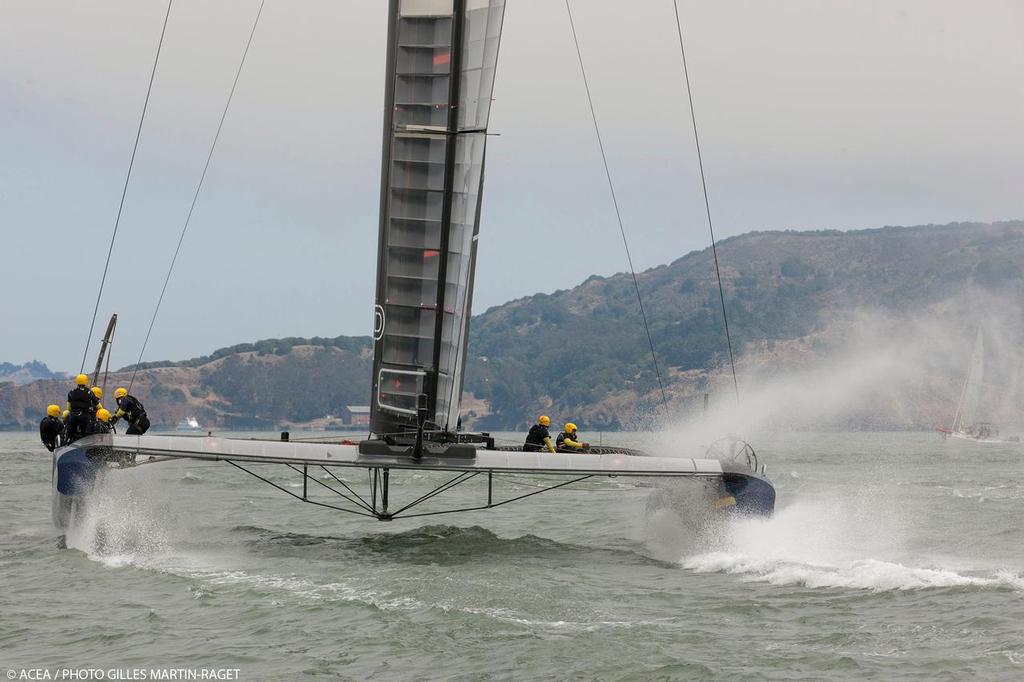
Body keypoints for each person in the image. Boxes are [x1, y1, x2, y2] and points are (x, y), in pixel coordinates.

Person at [65, 374, 99, 441]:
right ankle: (85, 441)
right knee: (86, 433)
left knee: (71, 431)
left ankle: (69, 440)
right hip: (85, 416)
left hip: (73, 416)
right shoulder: (90, 392)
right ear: (86, 381)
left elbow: (68, 408)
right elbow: (98, 405)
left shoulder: (71, 392)